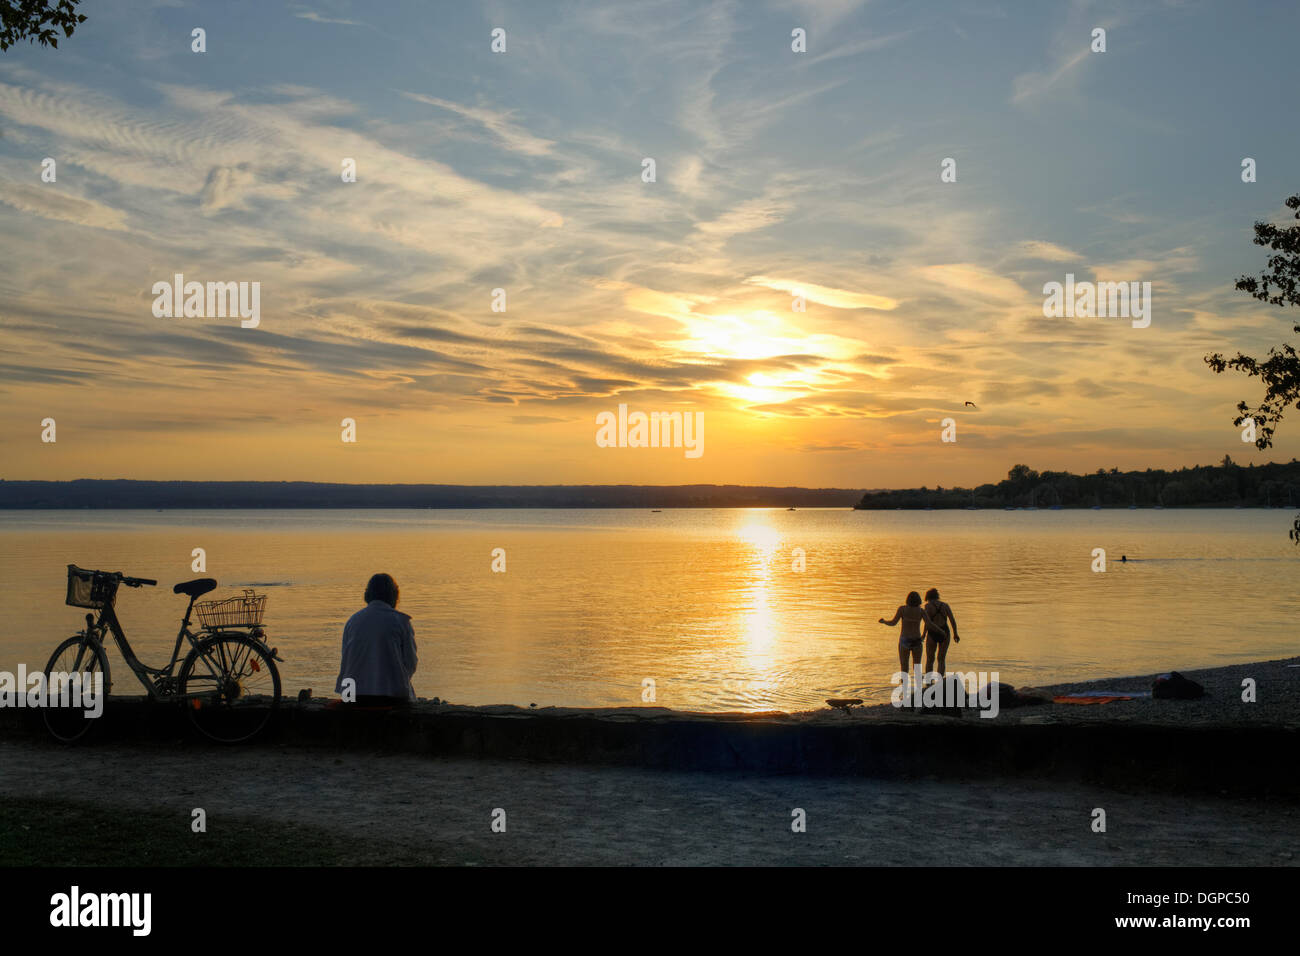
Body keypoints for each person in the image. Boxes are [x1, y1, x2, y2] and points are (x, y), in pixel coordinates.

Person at [336, 573, 418, 705]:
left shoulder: (352, 621)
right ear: (394, 595)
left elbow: (346, 658)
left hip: (351, 697)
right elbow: (410, 663)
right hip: (389, 697)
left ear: (367, 595)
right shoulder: (401, 621)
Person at [879, 591, 938, 680]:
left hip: (904, 641)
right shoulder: (921, 611)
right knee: (917, 668)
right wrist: (941, 631)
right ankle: (920, 691)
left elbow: (893, 623)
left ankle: (904, 690)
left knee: (904, 667)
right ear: (918, 600)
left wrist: (884, 622)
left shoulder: (902, 609)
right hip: (917, 641)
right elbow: (930, 624)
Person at [922, 587, 960, 678]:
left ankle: (928, 682)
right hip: (945, 632)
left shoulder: (928, 606)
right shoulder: (945, 605)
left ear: (928, 598)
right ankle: (940, 680)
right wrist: (955, 633)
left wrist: (924, 634)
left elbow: (927, 623)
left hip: (932, 633)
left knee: (930, 659)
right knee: (941, 659)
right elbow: (952, 620)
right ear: (937, 596)